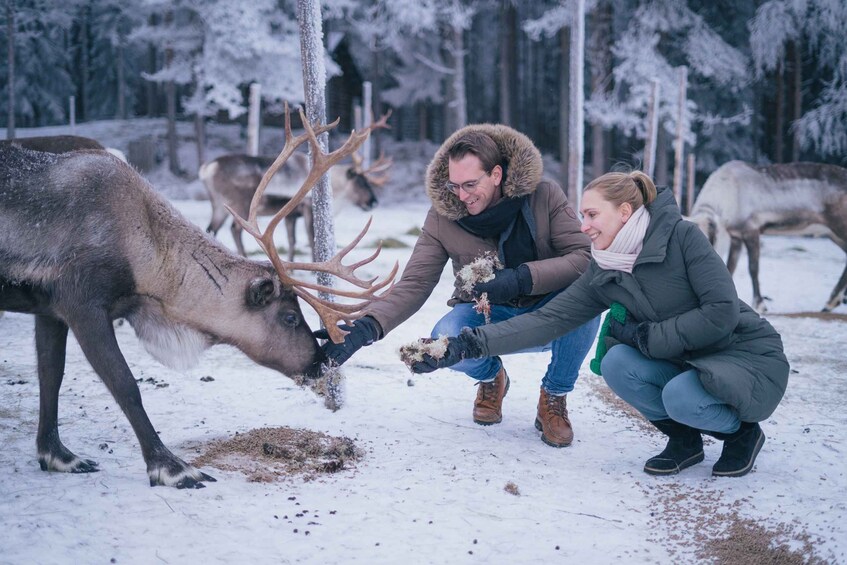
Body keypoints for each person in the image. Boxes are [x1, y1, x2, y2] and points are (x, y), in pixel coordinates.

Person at [410, 170, 789, 478]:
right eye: (582, 216)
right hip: (683, 356)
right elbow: (548, 320)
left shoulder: (683, 236)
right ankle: (685, 441)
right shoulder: (605, 267)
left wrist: (648, 337)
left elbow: (721, 310)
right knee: (616, 364)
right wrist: (464, 345)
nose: (585, 226)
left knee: (680, 397)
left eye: (592, 215)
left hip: (738, 352)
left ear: (624, 212)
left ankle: (742, 435)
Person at [316, 125, 600, 447]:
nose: (462, 196)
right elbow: (416, 283)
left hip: (548, 314)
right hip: (487, 317)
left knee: (587, 302)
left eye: (470, 185)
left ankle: (554, 394)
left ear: (496, 174)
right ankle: (492, 378)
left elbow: (584, 258)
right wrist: (368, 326)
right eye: (454, 186)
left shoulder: (544, 196)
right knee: (444, 338)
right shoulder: (442, 217)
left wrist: (523, 277)